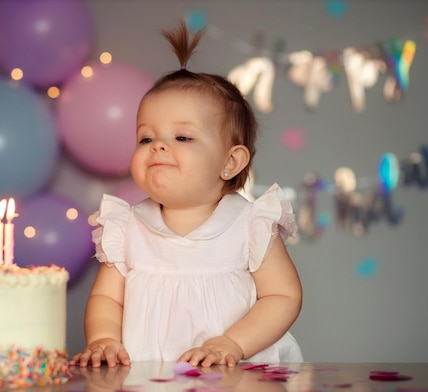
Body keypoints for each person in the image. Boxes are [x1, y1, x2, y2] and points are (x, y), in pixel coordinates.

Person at [70, 20, 303, 368]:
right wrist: (104, 338)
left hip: (233, 382)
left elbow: (282, 295)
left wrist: (233, 343)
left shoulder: (250, 224)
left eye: (182, 138)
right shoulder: (128, 227)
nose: (158, 146)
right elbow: (107, 298)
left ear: (230, 161)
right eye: (146, 138)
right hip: (149, 387)